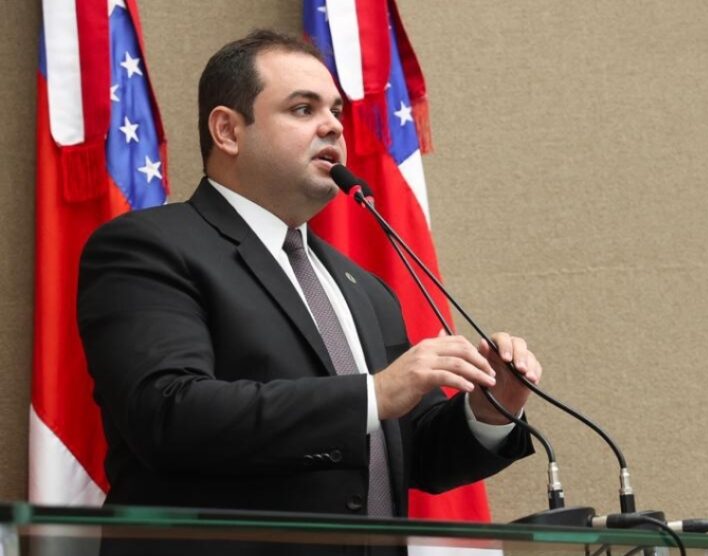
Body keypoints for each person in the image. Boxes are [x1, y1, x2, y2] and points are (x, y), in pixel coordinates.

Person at [77, 30, 538, 524]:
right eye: (303, 109)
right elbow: (168, 415)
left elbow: (412, 452)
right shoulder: (149, 247)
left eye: (336, 111)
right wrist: (373, 394)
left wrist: (488, 411)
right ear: (228, 131)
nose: (334, 126)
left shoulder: (363, 288)